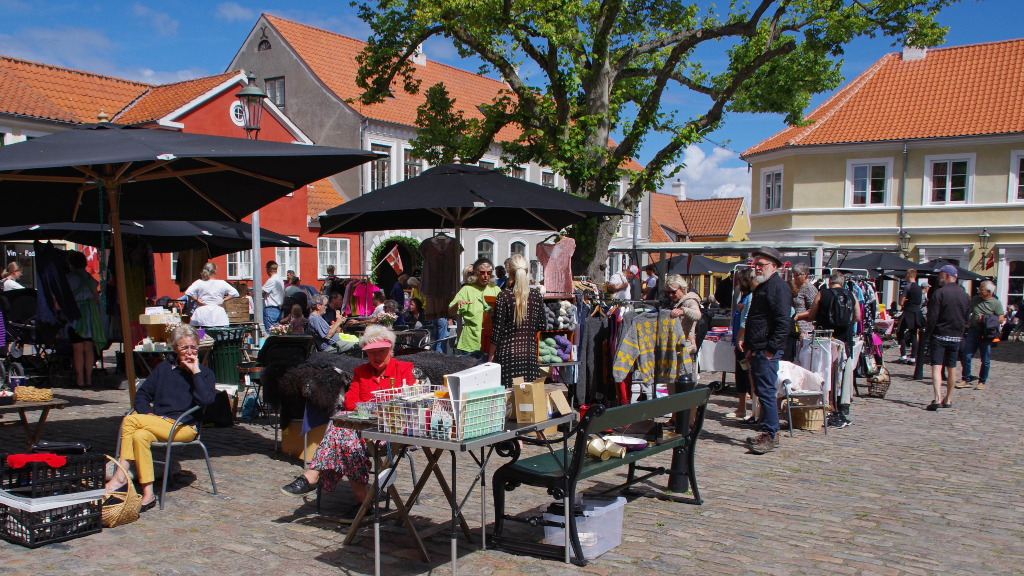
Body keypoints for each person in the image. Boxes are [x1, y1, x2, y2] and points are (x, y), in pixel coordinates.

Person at [280, 325, 413, 519]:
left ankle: (312, 476)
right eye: (371, 353)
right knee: (344, 437)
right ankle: (363, 504)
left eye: (381, 352)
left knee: (341, 435)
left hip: (390, 432)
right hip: (359, 432)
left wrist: (370, 408)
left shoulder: (404, 369)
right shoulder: (361, 371)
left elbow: (406, 401)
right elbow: (350, 402)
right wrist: (374, 407)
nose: (376, 357)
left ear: (391, 349)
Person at [105, 324, 217, 512]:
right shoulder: (164, 369)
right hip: (159, 423)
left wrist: (195, 371)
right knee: (140, 435)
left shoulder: (205, 374)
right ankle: (148, 494)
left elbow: (207, 400)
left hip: (184, 427)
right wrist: (146, 413)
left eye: (193, 347)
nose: (189, 351)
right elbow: (141, 395)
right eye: (184, 347)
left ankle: (120, 477)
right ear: (174, 348)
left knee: (131, 421)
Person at [743, 247, 792, 455]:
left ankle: (770, 432)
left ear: (774, 266)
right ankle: (770, 431)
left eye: (761, 264)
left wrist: (771, 349)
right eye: (756, 264)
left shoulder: (777, 287)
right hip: (759, 347)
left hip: (767, 348)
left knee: (766, 392)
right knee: (762, 391)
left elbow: (783, 322)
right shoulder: (764, 286)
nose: (757, 267)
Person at [489, 254, 544, 387]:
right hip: (529, 355)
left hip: (508, 355)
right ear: (527, 272)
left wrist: (490, 356)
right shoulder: (536, 296)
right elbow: (542, 325)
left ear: (509, 273)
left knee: (509, 400)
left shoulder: (504, 296)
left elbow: (497, 331)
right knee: (527, 401)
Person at [924, 265, 970, 411]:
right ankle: (948, 399)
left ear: (947, 276)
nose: (939, 278)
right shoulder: (965, 295)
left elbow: (932, 317)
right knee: (952, 367)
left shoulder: (939, 293)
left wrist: (927, 335)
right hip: (956, 336)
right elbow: (966, 318)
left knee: (937, 367)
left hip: (940, 334)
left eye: (940, 275)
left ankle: (937, 398)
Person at [797, 271, 861, 357]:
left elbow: (812, 315)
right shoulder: (851, 294)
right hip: (845, 335)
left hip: (825, 335)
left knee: (824, 361)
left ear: (830, 281)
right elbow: (857, 317)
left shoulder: (821, 294)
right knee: (843, 361)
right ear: (842, 282)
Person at [65, 250, 105, 388]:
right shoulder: (90, 279)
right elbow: (96, 299)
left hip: (75, 316)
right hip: (89, 316)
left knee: (77, 349)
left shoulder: (68, 278)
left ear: (70, 264)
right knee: (88, 348)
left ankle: (79, 380)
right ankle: (88, 379)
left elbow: (65, 299)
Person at [957, 279, 1004, 391]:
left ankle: (982, 381)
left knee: (985, 359)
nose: (979, 290)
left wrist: (986, 319)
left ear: (988, 291)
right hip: (973, 331)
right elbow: (968, 311)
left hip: (986, 334)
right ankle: (966, 379)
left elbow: (1001, 319)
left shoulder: (996, 303)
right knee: (967, 355)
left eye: (981, 289)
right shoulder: (975, 299)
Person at [449, 258, 501, 356]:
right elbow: (451, 312)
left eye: (489, 273)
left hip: (490, 341)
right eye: (482, 272)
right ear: (475, 273)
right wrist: (457, 304)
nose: (486, 276)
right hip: (470, 343)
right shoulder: (467, 289)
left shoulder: (496, 290)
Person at [729, 269, 758, 421]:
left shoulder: (750, 298)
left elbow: (744, 322)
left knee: (749, 376)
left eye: (739, 281)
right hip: (740, 342)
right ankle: (742, 407)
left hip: (746, 342)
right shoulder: (744, 297)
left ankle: (753, 410)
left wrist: (739, 339)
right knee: (741, 374)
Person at [184, 262, 240, 327]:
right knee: (218, 334)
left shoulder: (199, 282)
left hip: (202, 311)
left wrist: (197, 300)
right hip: (218, 312)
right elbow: (235, 293)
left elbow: (188, 292)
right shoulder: (221, 283)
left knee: (201, 334)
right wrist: (224, 300)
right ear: (215, 271)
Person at [666, 274, 702, 358]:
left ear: (682, 288)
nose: (670, 295)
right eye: (668, 292)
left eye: (673, 292)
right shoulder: (673, 302)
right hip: (674, 347)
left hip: (686, 348)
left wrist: (683, 311)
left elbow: (697, 314)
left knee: (683, 371)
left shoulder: (690, 301)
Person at [897, 269, 924, 363]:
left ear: (908, 275)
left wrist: (905, 301)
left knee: (900, 332)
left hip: (908, 312)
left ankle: (903, 355)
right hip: (916, 312)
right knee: (913, 334)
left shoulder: (907, 287)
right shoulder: (919, 288)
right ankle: (913, 357)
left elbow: (900, 302)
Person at [790, 263, 818, 342]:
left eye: (797, 275)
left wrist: (798, 316)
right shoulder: (797, 287)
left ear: (805, 274)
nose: (794, 278)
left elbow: (813, 310)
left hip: (806, 327)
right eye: (794, 275)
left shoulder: (809, 288)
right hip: (796, 326)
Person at [262, 261, 285, 332]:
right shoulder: (280, 279)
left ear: (268, 269)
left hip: (271, 308)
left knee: (270, 332)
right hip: (277, 308)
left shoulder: (272, 280)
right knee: (277, 331)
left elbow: (262, 292)